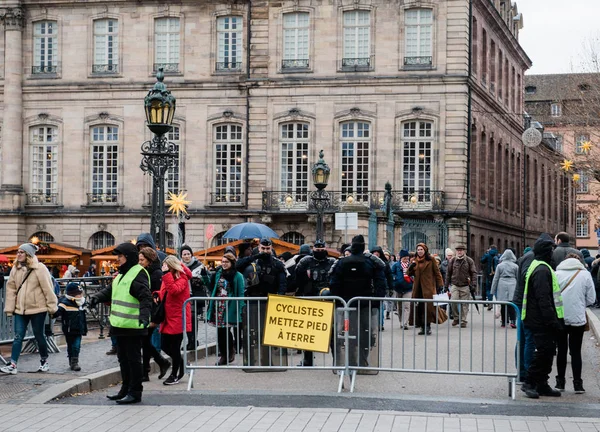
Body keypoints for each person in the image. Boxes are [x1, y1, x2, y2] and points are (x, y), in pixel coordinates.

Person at [88, 243, 152, 404]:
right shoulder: (122, 274)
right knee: (123, 360)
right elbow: (110, 290)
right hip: (119, 325)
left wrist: (144, 317)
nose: (117, 260)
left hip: (132, 326)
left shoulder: (138, 273)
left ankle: (135, 392)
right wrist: (96, 297)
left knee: (133, 360)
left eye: (120, 257)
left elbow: (145, 297)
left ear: (128, 257)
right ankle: (125, 388)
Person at [1, 243, 58, 375]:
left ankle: (44, 361)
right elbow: (11, 289)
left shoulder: (40, 268)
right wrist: (10, 308)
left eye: (21, 252)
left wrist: (52, 307)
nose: (18, 254)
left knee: (39, 335)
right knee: (18, 336)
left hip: (38, 308)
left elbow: (47, 289)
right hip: (20, 309)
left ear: (28, 254)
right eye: (18, 252)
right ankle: (13, 364)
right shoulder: (16, 269)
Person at [330, 235, 386, 367]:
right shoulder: (371, 262)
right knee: (366, 332)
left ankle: (350, 360)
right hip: (365, 303)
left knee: (346, 332)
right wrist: (377, 300)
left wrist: (337, 300)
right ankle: (362, 359)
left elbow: (334, 283)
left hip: (346, 304)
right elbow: (380, 282)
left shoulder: (342, 262)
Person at [521, 234, 563, 399]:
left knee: (548, 351)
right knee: (543, 352)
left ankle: (542, 383)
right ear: (546, 251)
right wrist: (552, 321)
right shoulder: (541, 269)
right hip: (540, 319)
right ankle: (530, 382)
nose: (553, 253)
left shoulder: (539, 266)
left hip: (537, 317)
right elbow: (543, 299)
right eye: (551, 250)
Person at [554, 254, 596, 393]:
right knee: (576, 351)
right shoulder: (585, 275)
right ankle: (578, 384)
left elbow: (552, 295)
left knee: (561, 350)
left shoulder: (556, 273)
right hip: (577, 317)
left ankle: (560, 382)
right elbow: (591, 299)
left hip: (560, 317)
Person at [295, 239, 336, 366]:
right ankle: (307, 359)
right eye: (317, 249)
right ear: (313, 250)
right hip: (310, 298)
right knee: (308, 331)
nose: (319, 251)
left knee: (331, 331)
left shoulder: (332, 262)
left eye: (321, 249)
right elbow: (298, 277)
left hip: (327, 300)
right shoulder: (306, 262)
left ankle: (337, 359)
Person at [158, 255, 192, 385]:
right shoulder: (169, 276)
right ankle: (181, 364)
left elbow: (174, 290)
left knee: (175, 347)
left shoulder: (182, 277)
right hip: (168, 316)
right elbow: (166, 292)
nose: (164, 268)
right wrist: (157, 294)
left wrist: (166, 274)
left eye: (166, 266)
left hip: (179, 316)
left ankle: (175, 374)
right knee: (165, 346)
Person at [138, 247, 171, 382]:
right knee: (145, 341)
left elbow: (158, 296)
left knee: (144, 340)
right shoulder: (145, 271)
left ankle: (158, 364)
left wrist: (154, 317)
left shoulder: (156, 274)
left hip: (152, 312)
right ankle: (149, 369)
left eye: (142, 260)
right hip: (146, 310)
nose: (139, 262)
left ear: (149, 260)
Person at [206, 252, 244, 366]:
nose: (224, 264)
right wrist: (204, 277)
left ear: (232, 263)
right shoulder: (218, 274)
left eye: (226, 262)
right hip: (218, 305)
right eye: (222, 262)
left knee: (226, 330)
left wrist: (241, 308)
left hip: (230, 305)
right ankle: (224, 354)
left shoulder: (238, 276)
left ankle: (228, 352)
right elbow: (212, 287)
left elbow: (241, 293)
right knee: (220, 331)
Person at [408, 243, 445, 335]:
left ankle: (427, 327)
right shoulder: (414, 260)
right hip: (418, 288)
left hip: (428, 288)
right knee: (419, 307)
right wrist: (411, 267)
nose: (419, 251)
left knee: (428, 308)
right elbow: (408, 273)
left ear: (425, 250)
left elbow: (437, 273)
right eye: (418, 250)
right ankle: (421, 327)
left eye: (421, 249)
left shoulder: (431, 260)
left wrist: (440, 284)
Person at [180, 245, 209, 349]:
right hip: (183, 296)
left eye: (188, 254)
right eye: (184, 254)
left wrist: (202, 278)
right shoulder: (179, 266)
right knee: (185, 320)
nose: (187, 256)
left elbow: (207, 281)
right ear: (181, 256)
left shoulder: (199, 266)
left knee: (192, 318)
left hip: (195, 296)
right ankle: (190, 340)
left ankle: (192, 341)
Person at [54, 282, 88, 371]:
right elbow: (56, 313)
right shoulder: (65, 303)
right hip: (69, 329)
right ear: (72, 295)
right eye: (78, 294)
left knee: (76, 346)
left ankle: (75, 362)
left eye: (81, 294)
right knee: (70, 345)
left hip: (79, 329)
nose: (80, 296)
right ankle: (71, 360)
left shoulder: (82, 303)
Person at [445, 245, 477, 328]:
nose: (459, 252)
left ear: (464, 251)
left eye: (461, 250)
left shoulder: (469, 260)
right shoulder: (453, 260)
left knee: (464, 304)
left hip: (465, 285)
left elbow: (473, 273)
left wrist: (474, 284)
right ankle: (456, 318)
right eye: (458, 250)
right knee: (453, 301)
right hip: (455, 284)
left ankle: (463, 320)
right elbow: (448, 274)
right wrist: (446, 285)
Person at [490, 249, 518, 328]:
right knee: (511, 304)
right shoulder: (515, 266)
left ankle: (504, 322)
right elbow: (518, 277)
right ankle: (513, 321)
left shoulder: (500, 266)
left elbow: (496, 278)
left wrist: (492, 290)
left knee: (503, 304)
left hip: (502, 283)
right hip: (513, 283)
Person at [391, 249, 413, 329]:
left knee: (407, 305)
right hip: (398, 288)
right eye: (404, 257)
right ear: (401, 257)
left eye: (407, 257)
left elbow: (415, 274)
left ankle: (405, 323)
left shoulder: (411, 265)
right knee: (399, 306)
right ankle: (401, 321)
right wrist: (395, 279)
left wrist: (412, 279)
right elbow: (392, 273)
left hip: (408, 288)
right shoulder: (396, 265)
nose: (406, 259)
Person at [372, 246, 393, 324]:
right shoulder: (369, 262)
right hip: (371, 287)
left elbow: (389, 276)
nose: (376, 255)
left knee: (380, 306)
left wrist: (391, 288)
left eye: (377, 254)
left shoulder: (385, 263)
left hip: (380, 287)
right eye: (375, 253)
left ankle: (380, 323)